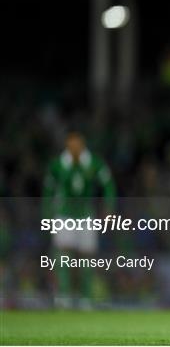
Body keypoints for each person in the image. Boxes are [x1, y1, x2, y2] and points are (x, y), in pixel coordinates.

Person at [43, 131, 116, 308]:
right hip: (64, 213)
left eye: (78, 144)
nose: (75, 148)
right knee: (63, 254)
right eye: (71, 145)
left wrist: (109, 207)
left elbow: (108, 184)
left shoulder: (93, 163)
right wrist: (46, 215)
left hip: (85, 214)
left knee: (87, 256)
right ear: (67, 146)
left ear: (83, 145)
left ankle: (86, 297)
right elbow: (48, 190)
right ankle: (64, 295)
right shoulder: (58, 164)